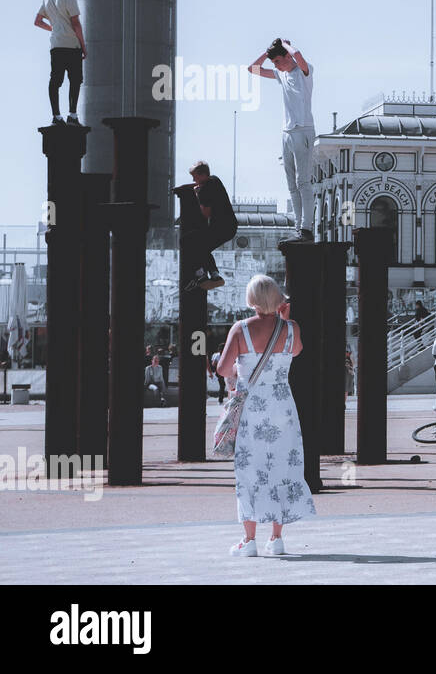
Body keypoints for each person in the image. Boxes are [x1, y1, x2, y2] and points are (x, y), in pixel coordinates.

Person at [215, 275, 315, 557]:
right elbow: (295, 351)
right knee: (282, 468)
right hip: (282, 407)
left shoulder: (240, 330)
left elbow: (223, 369)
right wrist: (285, 318)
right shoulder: (292, 328)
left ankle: (249, 541)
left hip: (252, 410)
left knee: (250, 471)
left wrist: (238, 371)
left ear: (252, 299)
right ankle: (277, 538)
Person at [248, 38, 315, 241]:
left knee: (303, 181)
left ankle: (307, 229)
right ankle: (298, 227)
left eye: (277, 61)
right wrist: (268, 51)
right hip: (286, 132)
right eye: (273, 63)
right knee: (291, 184)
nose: (275, 66)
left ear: (287, 56)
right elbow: (253, 69)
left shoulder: (304, 71)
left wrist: (285, 44)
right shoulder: (281, 74)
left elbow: (300, 58)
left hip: (303, 129)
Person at [35, 0, 87, 126]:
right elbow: (76, 23)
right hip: (71, 45)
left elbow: (37, 21)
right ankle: (72, 115)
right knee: (75, 80)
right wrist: (83, 47)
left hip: (56, 45)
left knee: (55, 81)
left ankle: (56, 117)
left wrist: (54, 28)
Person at [182, 161, 238, 293]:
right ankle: (214, 275)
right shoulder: (215, 180)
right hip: (229, 226)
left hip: (220, 228)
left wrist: (197, 195)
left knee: (188, 241)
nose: (193, 179)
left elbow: (206, 214)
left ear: (202, 175)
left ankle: (201, 275)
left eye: (195, 176)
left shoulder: (205, 189)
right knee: (203, 247)